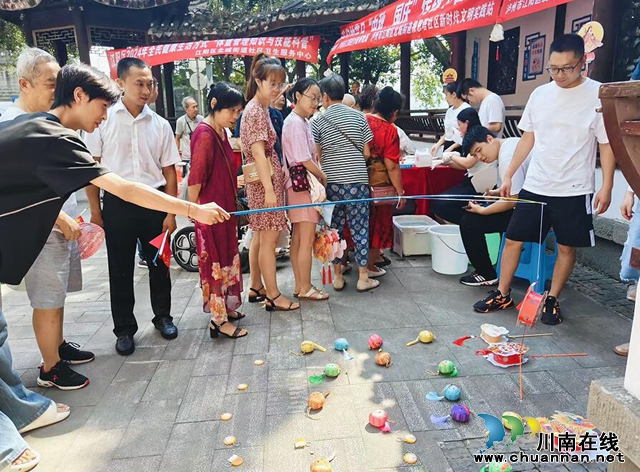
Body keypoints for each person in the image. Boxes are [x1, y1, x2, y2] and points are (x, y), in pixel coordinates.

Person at [0, 63, 228, 472]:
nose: (105, 116)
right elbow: (122, 187)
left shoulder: (37, 128)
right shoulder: (55, 138)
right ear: (79, 97)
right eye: (103, 106)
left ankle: (18, 415)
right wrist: (193, 209)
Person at [473, 34, 615, 324]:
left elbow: (606, 143)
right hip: (536, 184)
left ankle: (552, 298)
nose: (559, 75)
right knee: (512, 239)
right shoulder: (540, 94)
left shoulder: (598, 95)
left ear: (582, 62)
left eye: (566, 68)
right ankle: (502, 293)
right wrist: (510, 173)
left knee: (565, 247)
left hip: (574, 188)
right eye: (553, 68)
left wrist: (608, 185)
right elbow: (528, 137)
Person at [0, 47, 94, 391]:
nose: (58, 92)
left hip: (62, 224)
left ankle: (57, 345)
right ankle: (50, 367)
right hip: (40, 229)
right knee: (47, 297)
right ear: (24, 84)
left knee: (59, 294)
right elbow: (18, 192)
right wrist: (61, 221)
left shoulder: (48, 122)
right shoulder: (11, 125)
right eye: (51, 84)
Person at [84, 57, 182, 356]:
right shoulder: (104, 120)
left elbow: (169, 172)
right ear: (121, 82)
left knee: (160, 264)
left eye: (149, 83)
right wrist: (96, 212)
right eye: (139, 83)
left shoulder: (161, 124)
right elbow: (91, 169)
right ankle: (124, 329)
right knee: (120, 269)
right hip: (118, 206)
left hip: (154, 204)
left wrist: (170, 212)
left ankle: (163, 317)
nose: (146, 89)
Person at [188, 83, 248, 339]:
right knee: (214, 264)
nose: (235, 116)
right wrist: (194, 211)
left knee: (225, 259)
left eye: (238, 111)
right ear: (214, 106)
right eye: (232, 111)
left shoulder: (221, 131)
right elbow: (196, 179)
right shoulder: (204, 134)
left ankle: (225, 307)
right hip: (209, 212)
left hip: (223, 209)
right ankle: (218, 319)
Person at [240, 54, 299, 312]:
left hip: (269, 181)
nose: (276, 88)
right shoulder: (255, 110)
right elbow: (258, 152)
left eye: (280, 83)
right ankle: (273, 294)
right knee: (269, 240)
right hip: (265, 184)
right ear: (258, 81)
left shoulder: (262, 108)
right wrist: (268, 190)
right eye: (271, 83)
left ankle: (260, 287)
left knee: (264, 238)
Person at [312, 74, 378, 292]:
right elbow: (367, 152)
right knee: (360, 228)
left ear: (325, 96)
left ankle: (338, 277)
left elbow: (317, 156)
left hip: (332, 183)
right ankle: (363, 278)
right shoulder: (359, 117)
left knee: (335, 230)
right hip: (358, 182)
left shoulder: (318, 121)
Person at [458, 126, 531, 286]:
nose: (479, 157)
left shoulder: (507, 157)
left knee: (469, 222)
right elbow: (517, 190)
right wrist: (496, 192)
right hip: (526, 204)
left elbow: (512, 200)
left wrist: (483, 210)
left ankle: (485, 274)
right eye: (474, 155)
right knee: (475, 212)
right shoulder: (511, 143)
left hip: (531, 213)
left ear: (489, 139)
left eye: (479, 150)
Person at [283, 77, 329, 301]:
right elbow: (303, 158)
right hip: (302, 186)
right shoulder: (295, 123)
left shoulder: (299, 121)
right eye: (312, 97)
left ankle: (300, 286)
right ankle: (305, 286)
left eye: (318, 99)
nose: (315, 103)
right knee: (305, 238)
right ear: (298, 96)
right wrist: (322, 175)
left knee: (300, 238)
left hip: (297, 186)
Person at [365, 87, 405, 275]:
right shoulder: (390, 131)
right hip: (379, 186)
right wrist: (400, 192)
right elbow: (392, 166)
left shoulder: (362, 121)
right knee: (377, 224)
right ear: (394, 112)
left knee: (358, 223)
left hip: (357, 181)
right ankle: (370, 266)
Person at [430, 107, 492, 224]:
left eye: (459, 125)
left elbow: (467, 162)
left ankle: (468, 223)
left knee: (441, 204)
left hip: (480, 185)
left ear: (467, 123)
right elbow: (465, 166)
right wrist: (445, 161)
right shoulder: (469, 137)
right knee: (437, 202)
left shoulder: (478, 136)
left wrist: (451, 156)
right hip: (470, 180)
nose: (458, 128)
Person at [431, 82, 470, 156]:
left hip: (460, 146)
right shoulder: (449, 111)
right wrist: (437, 145)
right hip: (448, 146)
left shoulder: (466, 109)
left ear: (454, 94)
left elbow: (466, 134)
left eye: (446, 95)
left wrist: (452, 148)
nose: (445, 98)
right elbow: (448, 132)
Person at [175, 96, 204, 173]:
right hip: (187, 157)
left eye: (196, 106)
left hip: (200, 156)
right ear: (186, 109)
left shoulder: (201, 119)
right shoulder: (181, 121)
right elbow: (177, 138)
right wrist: (176, 156)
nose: (196, 109)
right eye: (193, 107)